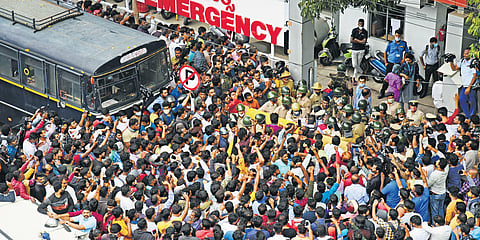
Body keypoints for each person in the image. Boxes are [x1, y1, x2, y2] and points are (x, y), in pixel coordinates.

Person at [380, 30, 409, 99]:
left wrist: (403, 59)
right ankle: (382, 92)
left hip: (398, 64)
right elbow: (385, 52)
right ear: (394, 35)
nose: (397, 37)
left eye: (399, 36)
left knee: (398, 79)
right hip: (390, 63)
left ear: (401, 36)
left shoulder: (404, 44)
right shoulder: (390, 43)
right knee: (387, 78)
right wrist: (386, 62)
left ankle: (395, 93)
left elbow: (406, 52)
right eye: (396, 36)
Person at [450, 48, 477, 118]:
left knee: (472, 102)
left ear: (470, 54)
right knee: (462, 99)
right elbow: (454, 68)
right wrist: (450, 61)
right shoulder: (462, 61)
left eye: (467, 53)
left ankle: (471, 117)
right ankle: (467, 115)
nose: (464, 55)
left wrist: (469, 87)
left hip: (471, 86)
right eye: (464, 53)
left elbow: (474, 76)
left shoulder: (473, 62)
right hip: (464, 85)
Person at [350, 18, 368, 83]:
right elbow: (351, 40)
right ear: (358, 23)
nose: (361, 25)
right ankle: (363, 72)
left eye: (362, 24)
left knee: (357, 64)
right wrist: (360, 41)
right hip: (354, 50)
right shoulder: (354, 30)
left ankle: (353, 78)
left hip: (361, 50)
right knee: (354, 65)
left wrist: (357, 40)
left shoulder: (365, 32)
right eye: (360, 23)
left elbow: (364, 42)